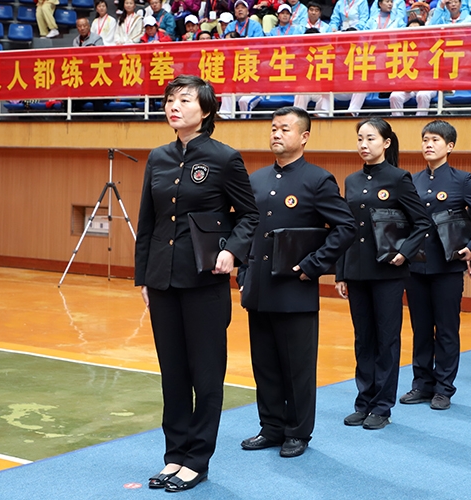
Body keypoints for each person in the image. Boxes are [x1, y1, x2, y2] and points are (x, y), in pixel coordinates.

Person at [135, 75, 259, 492]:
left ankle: (197, 459)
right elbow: (148, 223)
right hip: (163, 280)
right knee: (172, 374)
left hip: (205, 280)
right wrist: (144, 279)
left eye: (184, 100)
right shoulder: (158, 157)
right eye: (170, 99)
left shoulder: (225, 158)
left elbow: (250, 216)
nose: (174, 106)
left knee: (205, 375)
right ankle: (174, 455)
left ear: (205, 111)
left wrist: (233, 251)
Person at [239, 107, 356, 458]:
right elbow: (245, 231)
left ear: (304, 136)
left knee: (297, 367)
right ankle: (271, 427)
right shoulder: (256, 179)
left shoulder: (318, 180)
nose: (276, 134)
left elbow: (346, 228)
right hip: (259, 289)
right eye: (273, 128)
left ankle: (297, 432)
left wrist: (313, 265)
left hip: (295, 289)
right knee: (265, 365)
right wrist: (244, 275)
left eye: (285, 129)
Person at [336, 118, 430, 430]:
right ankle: (364, 401)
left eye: (371, 139)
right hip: (357, 271)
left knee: (387, 340)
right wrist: (340, 272)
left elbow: (423, 222)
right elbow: (345, 229)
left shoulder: (398, 178)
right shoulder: (351, 180)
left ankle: (382, 407)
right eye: (360, 139)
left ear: (386, 143)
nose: (364, 145)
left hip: (388, 271)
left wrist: (404, 252)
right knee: (364, 340)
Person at [400, 120, 471, 410]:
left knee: (447, 329)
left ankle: (444, 387)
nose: (429, 144)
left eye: (436, 140)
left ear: (449, 146)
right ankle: (421, 384)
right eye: (425, 139)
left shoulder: (462, 180)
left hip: (447, 268)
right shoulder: (411, 180)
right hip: (416, 267)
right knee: (421, 328)